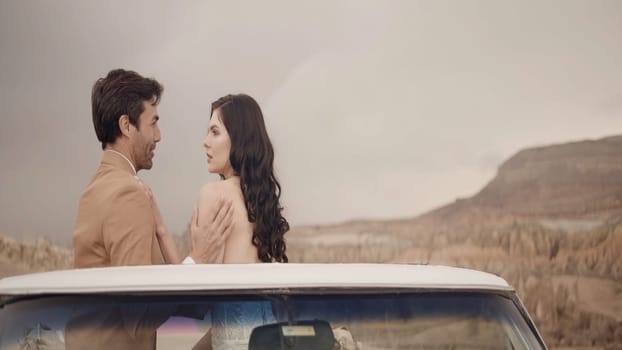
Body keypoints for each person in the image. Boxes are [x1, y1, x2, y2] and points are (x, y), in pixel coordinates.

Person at [148, 93, 289, 349]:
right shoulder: (261, 201)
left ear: (238, 139)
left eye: (214, 132)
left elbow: (193, 301)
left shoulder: (214, 194)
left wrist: (160, 231)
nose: (205, 142)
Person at [73, 68, 233, 268]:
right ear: (126, 126)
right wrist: (197, 259)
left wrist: (162, 231)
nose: (158, 136)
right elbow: (137, 293)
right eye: (153, 123)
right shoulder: (127, 192)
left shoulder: (93, 190)